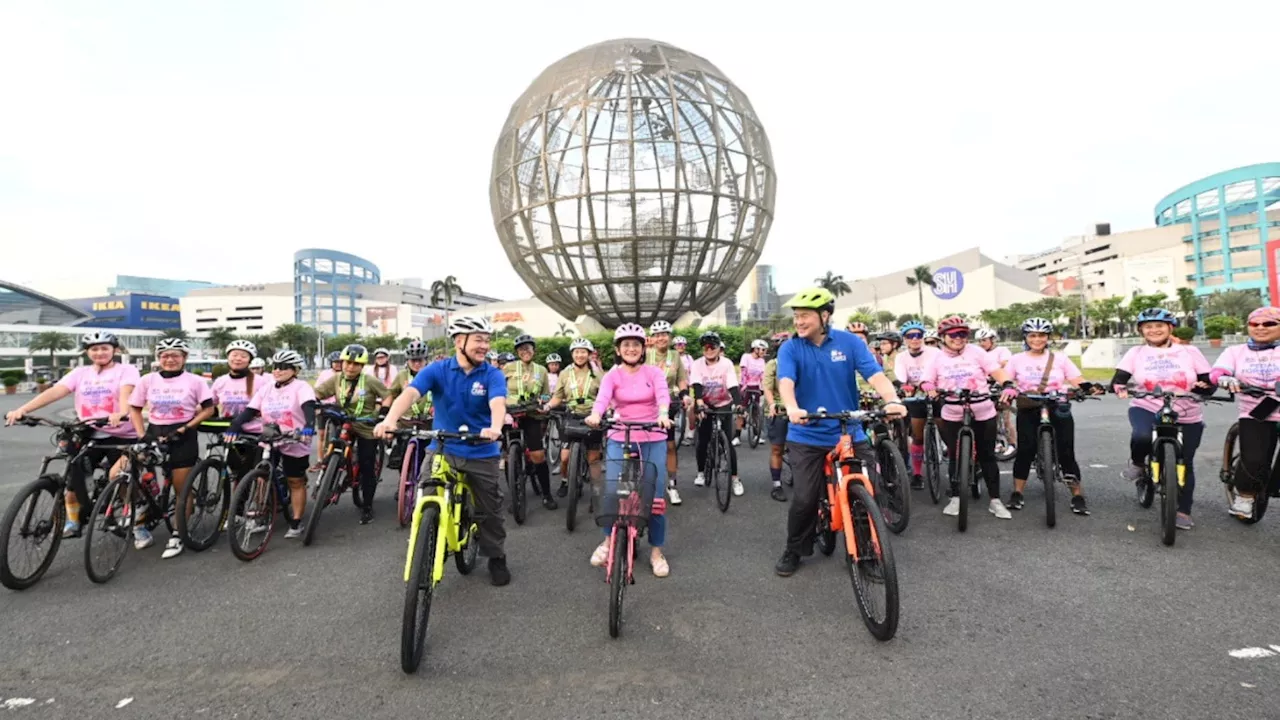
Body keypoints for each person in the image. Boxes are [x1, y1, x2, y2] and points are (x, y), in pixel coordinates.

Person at [774, 288, 905, 576]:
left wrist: (892, 400)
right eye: (796, 316)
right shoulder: (790, 348)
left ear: (825, 315)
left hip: (848, 430)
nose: (798, 322)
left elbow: (874, 374)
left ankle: (865, 551)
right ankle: (794, 549)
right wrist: (793, 408)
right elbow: (785, 381)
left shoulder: (849, 343)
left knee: (868, 488)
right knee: (805, 499)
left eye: (804, 316)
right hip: (806, 434)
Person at [375, 315, 511, 586]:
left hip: (481, 450)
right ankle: (427, 539)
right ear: (459, 342)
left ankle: (496, 556)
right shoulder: (437, 370)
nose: (484, 345)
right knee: (425, 497)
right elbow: (411, 393)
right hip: (442, 448)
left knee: (491, 510)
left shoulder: (492, 374)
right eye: (478, 340)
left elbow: (497, 402)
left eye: (487, 340)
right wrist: (390, 419)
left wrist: (495, 427)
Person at [5, 331, 144, 538]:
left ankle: (136, 517)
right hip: (89, 431)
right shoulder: (80, 373)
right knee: (72, 474)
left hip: (123, 434)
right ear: (88, 352)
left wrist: (121, 413)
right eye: (94, 349)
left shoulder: (126, 370)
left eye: (105, 348)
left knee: (121, 476)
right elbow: (55, 392)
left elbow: (126, 394)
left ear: (114, 350)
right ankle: (74, 520)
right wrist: (23, 410)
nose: (100, 353)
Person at [1110, 308, 1214, 530]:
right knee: (1141, 436)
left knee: (1185, 462)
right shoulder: (1136, 353)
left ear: (1170, 328)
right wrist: (1119, 387)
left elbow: (1208, 382)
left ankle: (1183, 510)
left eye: (1159, 325)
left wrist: (1204, 387)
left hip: (1186, 411)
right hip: (1147, 406)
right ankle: (1138, 464)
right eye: (1148, 326)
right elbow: (1118, 380)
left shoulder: (1190, 352)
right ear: (1141, 331)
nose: (1154, 330)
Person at [585, 324, 674, 577]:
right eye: (626, 345)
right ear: (618, 349)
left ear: (643, 347)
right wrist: (595, 414)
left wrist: (663, 415)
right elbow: (602, 398)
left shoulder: (654, 373)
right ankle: (607, 541)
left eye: (636, 344)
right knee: (613, 492)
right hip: (620, 435)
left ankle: (656, 550)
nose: (631, 349)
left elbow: (663, 396)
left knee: (655, 498)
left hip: (652, 435)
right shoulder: (612, 375)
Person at [918, 315, 1018, 520]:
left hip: (982, 408)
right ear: (943, 337)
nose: (959, 338)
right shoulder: (936, 357)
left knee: (987, 455)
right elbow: (926, 380)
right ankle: (955, 497)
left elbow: (996, 371)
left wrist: (1007, 384)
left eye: (963, 334)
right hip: (952, 411)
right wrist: (928, 387)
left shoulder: (977, 352)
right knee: (955, 455)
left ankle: (995, 500)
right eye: (953, 334)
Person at [128, 338, 216, 558]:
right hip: (154, 431)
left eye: (175, 355)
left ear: (184, 358)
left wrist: (187, 427)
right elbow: (135, 409)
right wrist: (141, 435)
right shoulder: (147, 380)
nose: (170, 359)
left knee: (181, 489)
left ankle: (178, 533)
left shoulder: (195, 381)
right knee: (128, 472)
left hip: (182, 434)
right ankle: (144, 511)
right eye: (165, 355)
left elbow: (209, 410)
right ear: (159, 359)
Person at [1006, 318, 1098, 515]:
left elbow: (1076, 378)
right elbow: (1007, 380)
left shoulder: (1060, 358)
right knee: (1026, 450)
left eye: (1041, 335)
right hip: (1029, 405)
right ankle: (1017, 493)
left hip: (1058, 404)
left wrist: (1088, 388)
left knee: (1066, 451)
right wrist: (1008, 390)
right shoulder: (1016, 359)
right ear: (1026, 337)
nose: (1037, 339)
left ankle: (1077, 496)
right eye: (1032, 335)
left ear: (1047, 337)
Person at [225, 350, 316, 538]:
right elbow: (250, 410)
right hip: (269, 438)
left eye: (284, 367)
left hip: (294, 437)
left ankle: (297, 521)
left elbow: (309, 407)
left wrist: (309, 425)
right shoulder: (266, 388)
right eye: (275, 367)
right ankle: (262, 514)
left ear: (295, 370)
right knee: (261, 477)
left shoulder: (302, 387)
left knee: (295, 480)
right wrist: (234, 426)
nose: (278, 371)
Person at [1212, 306, 1280, 518]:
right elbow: (1218, 371)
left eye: (1269, 323)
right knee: (1254, 458)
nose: (1261, 327)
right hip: (1256, 410)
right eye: (1255, 324)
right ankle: (1245, 495)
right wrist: (1224, 378)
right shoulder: (1235, 351)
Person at [313, 344, 391, 524]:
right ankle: (326, 481)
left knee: (367, 465)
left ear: (362, 366)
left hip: (366, 425)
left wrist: (382, 413)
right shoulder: (336, 379)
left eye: (356, 364)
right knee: (331, 452)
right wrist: (314, 402)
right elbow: (318, 393)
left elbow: (387, 395)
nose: (350, 367)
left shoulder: (370, 381)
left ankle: (367, 506)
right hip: (344, 422)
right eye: (347, 362)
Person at [504, 334, 556, 510]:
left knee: (538, 456)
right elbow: (498, 389)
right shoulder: (508, 368)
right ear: (517, 352)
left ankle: (547, 494)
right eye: (521, 349)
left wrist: (544, 403)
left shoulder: (541, 370)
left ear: (533, 350)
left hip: (532, 414)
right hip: (511, 414)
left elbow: (546, 394)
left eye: (528, 348)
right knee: (508, 458)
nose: (525, 351)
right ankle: (514, 496)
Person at [690, 331, 743, 496]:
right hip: (706, 404)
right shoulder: (697, 364)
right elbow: (697, 384)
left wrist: (738, 404)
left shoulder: (726, 363)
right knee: (703, 441)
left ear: (719, 348)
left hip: (723, 404)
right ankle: (700, 472)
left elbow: (733, 385)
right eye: (705, 347)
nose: (709, 349)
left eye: (712, 346)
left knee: (728, 443)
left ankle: (735, 479)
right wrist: (699, 403)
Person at [549, 338, 603, 494]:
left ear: (589, 354)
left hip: (593, 416)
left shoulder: (597, 373)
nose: (580, 355)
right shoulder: (565, 373)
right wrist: (548, 406)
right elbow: (558, 396)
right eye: (577, 352)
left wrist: (611, 409)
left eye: (583, 352)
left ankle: (596, 487)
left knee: (593, 458)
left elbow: (606, 395)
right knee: (565, 458)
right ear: (572, 354)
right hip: (571, 415)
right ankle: (565, 480)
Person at [646, 321, 690, 505]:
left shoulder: (675, 356)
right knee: (645, 447)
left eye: (664, 334)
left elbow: (681, 380)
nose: (661, 337)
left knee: (670, 446)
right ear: (652, 338)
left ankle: (672, 485)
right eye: (657, 334)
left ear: (669, 337)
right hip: (647, 405)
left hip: (668, 404)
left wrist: (685, 395)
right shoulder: (645, 355)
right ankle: (646, 486)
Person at [210, 340, 264, 482]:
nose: (238, 359)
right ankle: (236, 503)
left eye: (243, 356)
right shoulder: (220, 381)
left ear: (250, 360)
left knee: (254, 473)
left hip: (255, 433)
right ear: (228, 357)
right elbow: (210, 405)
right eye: (234, 355)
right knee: (237, 473)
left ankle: (264, 501)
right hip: (230, 432)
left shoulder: (260, 381)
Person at [894, 320, 938, 487]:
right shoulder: (901, 357)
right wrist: (904, 385)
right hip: (915, 395)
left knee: (948, 431)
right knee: (918, 437)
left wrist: (932, 385)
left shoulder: (934, 352)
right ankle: (918, 474)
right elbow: (900, 377)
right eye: (910, 336)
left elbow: (937, 370)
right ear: (904, 339)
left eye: (918, 335)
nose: (915, 339)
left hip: (935, 392)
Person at [386, 339, 433, 472]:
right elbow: (391, 394)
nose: (417, 364)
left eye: (420, 360)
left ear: (426, 360)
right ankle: (404, 486)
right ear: (407, 361)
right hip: (406, 421)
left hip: (428, 422)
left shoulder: (434, 374)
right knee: (403, 456)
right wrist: (386, 416)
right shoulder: (402, 376)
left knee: (428, 457)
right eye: (413, 360)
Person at [760, 333, 791, 502]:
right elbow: (768, 388)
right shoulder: (774, 364)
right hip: (778, 409)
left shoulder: (799, 363)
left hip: (797, 410)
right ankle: (777, 484)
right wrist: (772, 404)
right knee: (777, 448)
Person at [976, 328, 1016, 451]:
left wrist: (992, 370)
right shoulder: (979, 352)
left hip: (1000, 385)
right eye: (979, 341)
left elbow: (1004, 363)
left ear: (992, 340)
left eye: (984, 340)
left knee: (1005, 417)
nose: (981, 343)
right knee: (991, 419)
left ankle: (1012, 444)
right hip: (985, 387)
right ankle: (995, 442)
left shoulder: (1002, 350)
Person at [311, 350, 342, 471]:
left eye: (340, 362)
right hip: (325, 405)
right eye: (335, 362)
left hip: (339, 406)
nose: (338, 365)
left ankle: (337, 459)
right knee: (322, 434)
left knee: (340, 434)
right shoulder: (325, 373)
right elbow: (317, 390)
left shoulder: (347, 374)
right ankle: (320, 460)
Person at [736, 339, 768, 447]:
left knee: (755, 411)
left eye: (764, 350)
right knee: (741, 410)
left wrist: (763, 387)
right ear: (755, 349)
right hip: (745, 385)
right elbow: (744, 372)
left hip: (756, 386)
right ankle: (737, 436)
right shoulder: (746, 357)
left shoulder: (762, 361)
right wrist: (744, 386)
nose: (764, 352)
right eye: (762, 350)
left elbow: (763, 376)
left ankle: (756, 434)